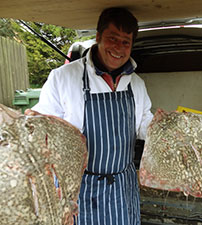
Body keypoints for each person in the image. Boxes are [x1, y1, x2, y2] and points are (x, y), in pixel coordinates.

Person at [27, 7, 153, 225]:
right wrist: (32, 124)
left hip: (122, 189)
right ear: (98, 37)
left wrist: (167, 130)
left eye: (125, 42)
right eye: (112, 39)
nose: (118, 48)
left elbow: (144, 125)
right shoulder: (63, 77)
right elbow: (42, 127)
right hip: (78, 190)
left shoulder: (137, 84)